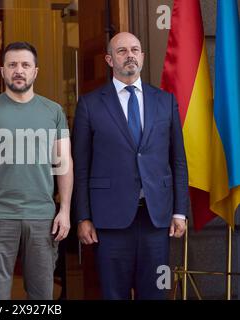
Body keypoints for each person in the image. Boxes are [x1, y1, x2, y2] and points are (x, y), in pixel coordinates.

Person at [72, 32, 189, 300]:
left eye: (135, 49)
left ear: (143, 57)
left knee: (156, 294)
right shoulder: (89, 104)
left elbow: (178, 160)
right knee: (114, 295)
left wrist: (180, 211)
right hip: (109, 221)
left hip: (156, 219)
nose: (130, 55)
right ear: (109, 59)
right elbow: (82, 167)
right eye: (122, 51)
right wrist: (83, 217)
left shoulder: (165, 101)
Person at [0, 42, 73, 300]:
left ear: (35, 71)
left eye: (25, 65)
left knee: (41, 296)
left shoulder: (54, 112)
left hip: (42, 217)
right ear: (2, 71)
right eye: (12, 65)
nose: (19, 70)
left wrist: (65, 211)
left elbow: (64, 163)